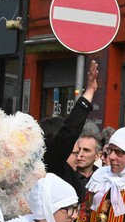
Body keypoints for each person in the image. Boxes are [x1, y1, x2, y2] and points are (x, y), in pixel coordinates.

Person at [40, 60, 98, 198]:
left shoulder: (67, 171)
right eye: (73, 152)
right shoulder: (51, 165)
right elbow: (68, 133)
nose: (78, 158)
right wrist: (89, 92)